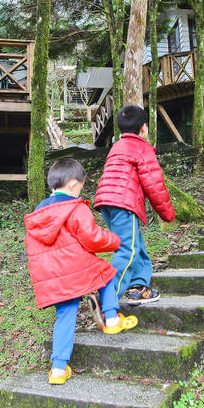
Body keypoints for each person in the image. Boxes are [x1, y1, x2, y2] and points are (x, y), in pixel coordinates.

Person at [24, 158, 137, 385]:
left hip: (50, 275)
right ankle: (112, 320)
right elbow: (92, 238)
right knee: (107, 273)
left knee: (65, 315)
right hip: (75, 268)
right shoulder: (76, 208)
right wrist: (115, 241)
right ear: (74, 184)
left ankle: (58, 369)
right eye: (82, 186)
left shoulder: (37, 213)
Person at [94, 105, 175, 305]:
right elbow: (154, 185)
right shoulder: (142, 148)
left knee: (136, 246)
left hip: (107, 202)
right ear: (144, 128)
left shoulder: (117, 147)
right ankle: (107, 297)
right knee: (127, 250)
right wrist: (168, 214)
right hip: (123, 204)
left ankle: (138, 288)